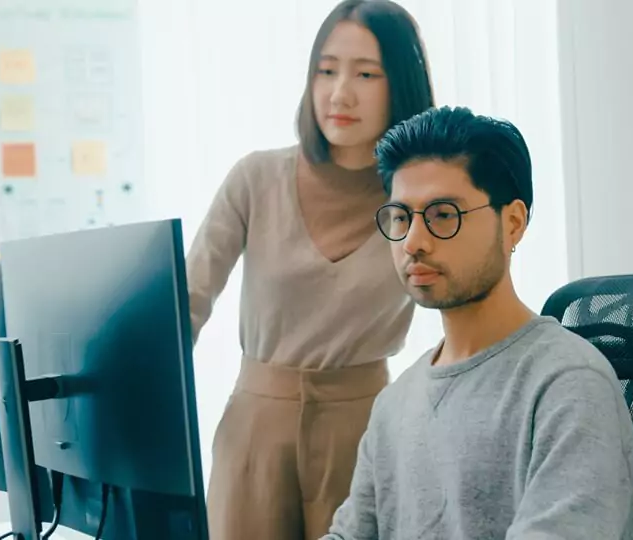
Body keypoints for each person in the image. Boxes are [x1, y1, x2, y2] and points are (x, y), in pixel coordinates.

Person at [324, 106, 633, 539]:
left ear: (513, 223)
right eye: (402, 217)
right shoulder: (394, 404)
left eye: (444, 214)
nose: (414, 242)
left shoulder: (567, 383)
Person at [184, 1, 435, 538]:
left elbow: (461, 301)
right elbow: (184, 308)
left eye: (365, 73)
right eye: (326, 69)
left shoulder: (418, 197)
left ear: (401, 84)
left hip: (366, 432)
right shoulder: (256, 178)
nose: (339, 92)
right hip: (254, 435)